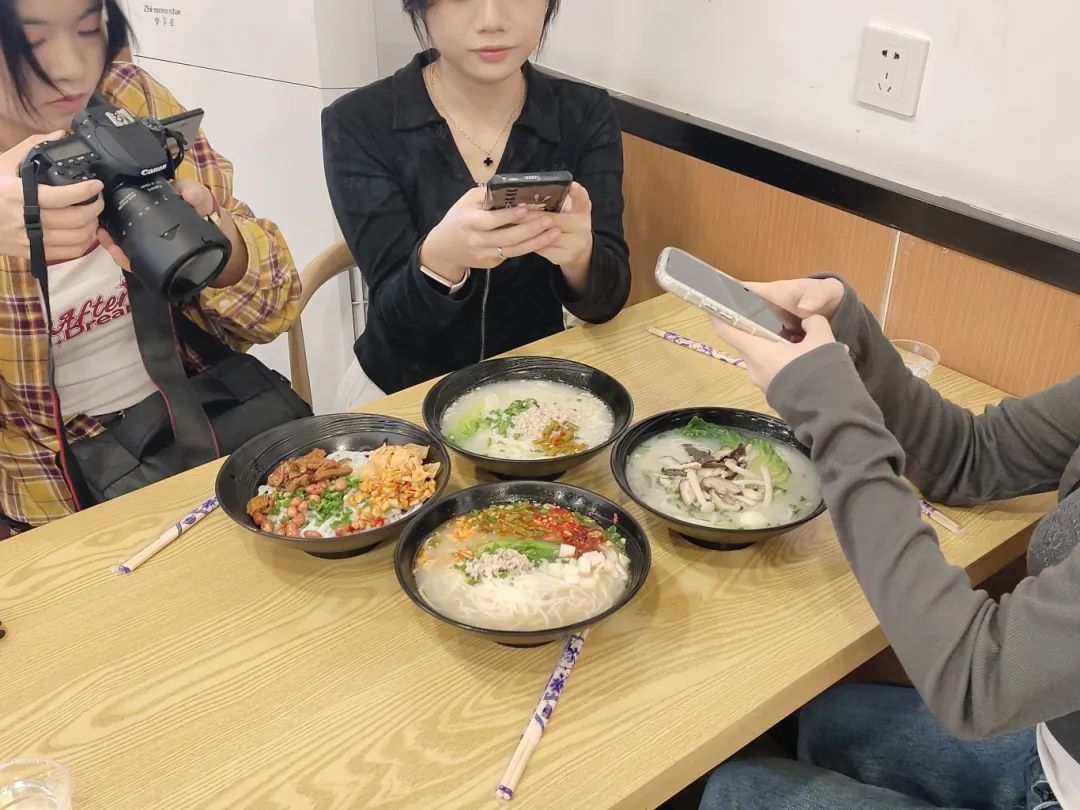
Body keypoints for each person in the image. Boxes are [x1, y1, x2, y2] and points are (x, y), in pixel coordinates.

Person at [698, 276, 1075, 809]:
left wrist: (827, 410)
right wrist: (848, 335)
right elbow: (972, 455)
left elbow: (977, 681)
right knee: (824, 721)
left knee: (736, 792)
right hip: (1055, 743)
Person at [0, 0, 300, 530]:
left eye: (88, 29)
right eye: (32, 41)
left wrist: (216, 238)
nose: (71, 67)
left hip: (211, 432)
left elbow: (271, 309)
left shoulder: (126, 98)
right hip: (60, 500)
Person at [322, 0, 630, 405]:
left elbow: (607, 302)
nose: (492, 21)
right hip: (401, 394)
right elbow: (396, 326)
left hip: (535, 391)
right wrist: (441, 260)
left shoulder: (584, 114)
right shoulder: (359, 123)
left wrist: (580, 259)